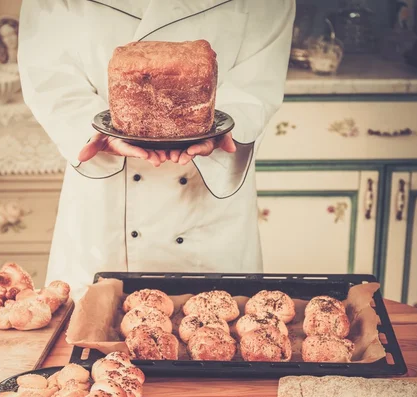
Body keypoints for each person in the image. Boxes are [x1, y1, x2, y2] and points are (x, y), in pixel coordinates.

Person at [18, 0, 295, 299]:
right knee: (91, 324)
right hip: (104, 200)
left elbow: (257, 81)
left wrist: (219, 124)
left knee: (221, 327)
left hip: (208, 202)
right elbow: (48, 75)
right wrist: (94, 130)